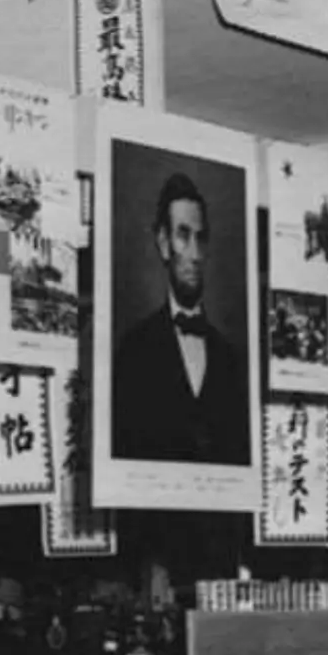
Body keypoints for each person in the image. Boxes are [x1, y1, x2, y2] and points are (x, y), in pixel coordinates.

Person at [110, 172, 250, 466]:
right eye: (183, 236)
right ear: (163, 243)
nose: (195, 253)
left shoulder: (230, 359)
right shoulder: (133, 352)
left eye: (201, 238)